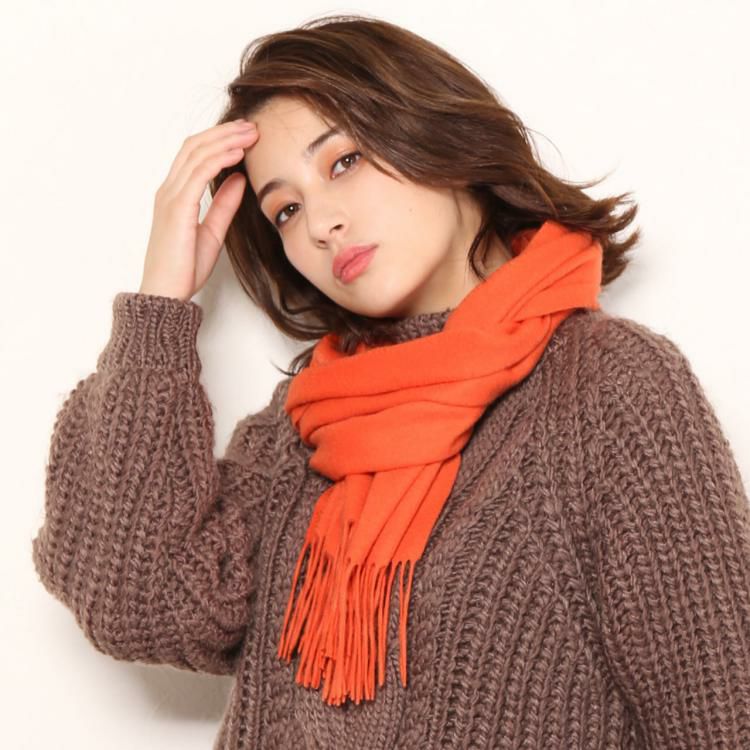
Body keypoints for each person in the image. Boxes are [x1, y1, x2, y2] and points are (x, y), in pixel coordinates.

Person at [31, 13, 750, 750]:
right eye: (286, 209)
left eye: (343, 162)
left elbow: (721, 715)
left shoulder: (606, 390)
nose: (320, 224)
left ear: (437, 134)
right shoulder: (304, 428)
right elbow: (137, 602)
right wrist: (159, 306)